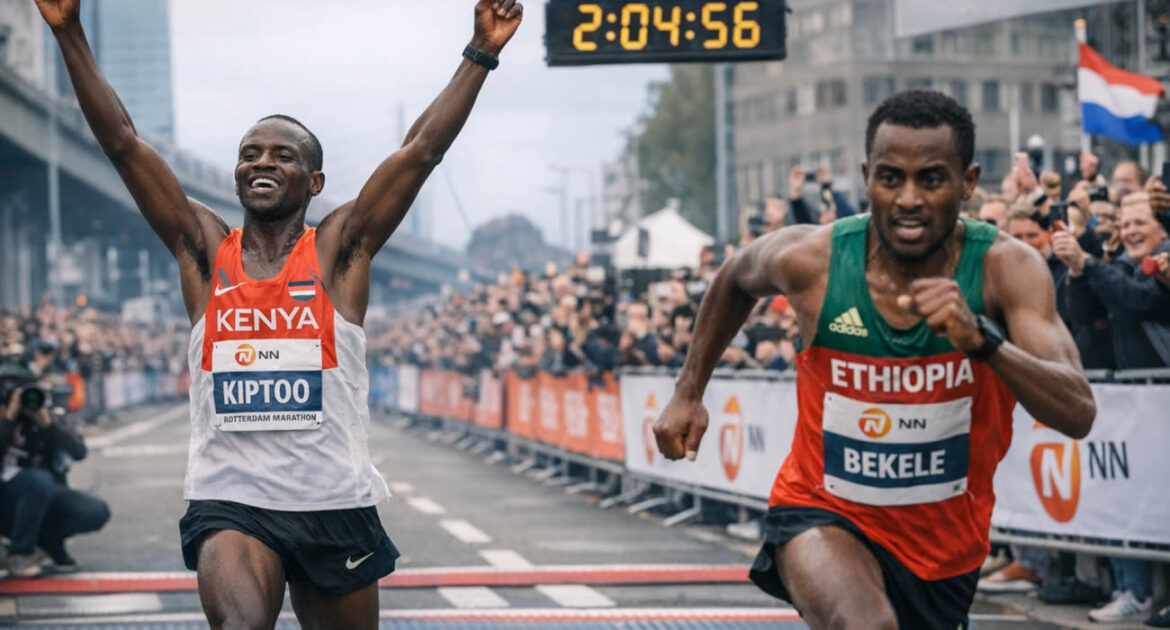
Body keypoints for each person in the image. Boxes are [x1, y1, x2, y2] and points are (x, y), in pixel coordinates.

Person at [37, 0, 523, 626]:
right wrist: (70, 32)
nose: (262, 162)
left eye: (282, 155)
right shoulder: (204, 251)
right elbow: (123, 146)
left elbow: (420, 152)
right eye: (250, 153)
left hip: (332, 501)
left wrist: (481, 52)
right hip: (231, 500)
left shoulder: (339, 250)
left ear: (314, 182)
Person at [653, 90, 1095, 630]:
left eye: (931, 179)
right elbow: (735, 276)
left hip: (944, 548)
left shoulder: (1007, 269)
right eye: (890, 178)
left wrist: (983, 341)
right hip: (821, 510)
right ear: (867, 178)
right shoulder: (814, 259)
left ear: (968, 182)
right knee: (866, 624)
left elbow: (1078, 411)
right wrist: (689, 391)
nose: (908, 198)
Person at [0, 362, 109, 577]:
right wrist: (8, 419)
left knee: (95, 511)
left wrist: (47, 424)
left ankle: (46, 540)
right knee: (37, 480)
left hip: (41, 494)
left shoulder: (42, 413)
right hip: (6, 496)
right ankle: (19, 554)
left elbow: (79, 451)